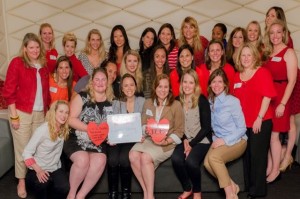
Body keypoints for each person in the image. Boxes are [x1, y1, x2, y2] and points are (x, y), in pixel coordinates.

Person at [3, 32, 50, 198]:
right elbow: (8, 92)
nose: (35, 50)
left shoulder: (43, 65)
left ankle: (34, 179)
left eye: (37, 47)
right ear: (24, 49)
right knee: (23, 149)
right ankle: (21, 181)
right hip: (21, 113)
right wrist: (14, 116)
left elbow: (46, 93)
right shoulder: (17, 63)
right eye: (31, 47)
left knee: (36, 148)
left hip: (40, 114)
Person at [129, 74, 184, 199]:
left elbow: (180, 131)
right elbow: (143, 123)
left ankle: (148, 196)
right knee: (132, 155)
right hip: (149, 139)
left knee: (145, 158)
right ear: (155, 87)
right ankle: (147, 192)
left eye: (166, 87)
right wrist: (147, 130)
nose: (162, 90)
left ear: (169, 89)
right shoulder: (148, 102)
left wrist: (166, 141)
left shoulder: (176, 105)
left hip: (166, 143)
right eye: (160, 86)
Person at [233, 43, 277, 198]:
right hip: (243, 125)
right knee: (247, 156)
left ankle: (257, 191)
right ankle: (249, 186)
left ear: (254, 57)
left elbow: (267, 96)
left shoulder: (262, 72)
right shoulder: (236, 76)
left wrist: (259, 118)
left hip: (261, 121)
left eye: (248, 55)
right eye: (243, 55)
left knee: (257, 156)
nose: (245, 58)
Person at [63, 67, 114, 199]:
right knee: (82, 159)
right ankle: (72, 193)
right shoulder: (82, 96)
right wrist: (90, 129)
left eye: (103, 79)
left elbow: (115, 126)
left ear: (107, 82)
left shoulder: (113, 102)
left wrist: (113, 136)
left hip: (98, 142)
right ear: (92, 82)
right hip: (77, 139)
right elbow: (70, 119)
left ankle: (81, 196)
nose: (100, 82)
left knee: (101, 160)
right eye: (97, 79)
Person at [265, 6, 300, 173]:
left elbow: (292, 79)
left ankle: (287, 157)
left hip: (286, 87)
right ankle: (274, 163)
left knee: (288, 122)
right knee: (275, 130)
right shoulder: (268, 48)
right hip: (273, 91)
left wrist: (283, 103)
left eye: (273, 15)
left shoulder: (288, 47)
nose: (275, 36)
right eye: (268, 15)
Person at [204, 68, 247, 199]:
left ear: (225, 84)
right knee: (206, 164)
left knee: (213, 158)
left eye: (220, 81)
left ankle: (230, 195)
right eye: (214, 82)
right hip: (219, 140)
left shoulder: (232, 101)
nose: (216, 85)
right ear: (210, 84)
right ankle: (233, 185)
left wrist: (224, 140)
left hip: (237, 140)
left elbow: (242, 128)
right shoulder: (210, 101)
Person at [171, 69, 211, 199]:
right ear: (181, 84)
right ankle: (188, 188)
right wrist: (184, 141)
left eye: (191, 82)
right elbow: (177, 125)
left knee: (191, 162)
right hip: (184, 139)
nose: (187, 85)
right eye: (185, 82)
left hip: (201, 139)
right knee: (176, 159)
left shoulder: (202, 100)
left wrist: (191, 145)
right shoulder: (177, 101)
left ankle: (197, 193)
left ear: (196, 85)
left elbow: (206, 128)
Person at [107, 74, 145, 199]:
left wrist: (143, 134)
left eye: (132, 85)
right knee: (112, 160)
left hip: (134, 140)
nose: (129, 88)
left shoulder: (142, 102)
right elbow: (111, 125)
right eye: (126, 85)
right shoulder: (115, 103)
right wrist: (109, 136)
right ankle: (112, 193)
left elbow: (146, 122)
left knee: (124, 159)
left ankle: (126, 193)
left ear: (136, 86)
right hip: (117, 140)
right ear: (122, 89)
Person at [22, 100, 70, 199]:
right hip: (38, 168)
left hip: (54, 167)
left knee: (64, 187)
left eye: (66, 112)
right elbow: (26, 153)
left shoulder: (64, 129)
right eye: (61, 111)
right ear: (54, 112)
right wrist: (39, 170)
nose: (64, 115)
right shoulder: (43, 130)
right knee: (42, 184)